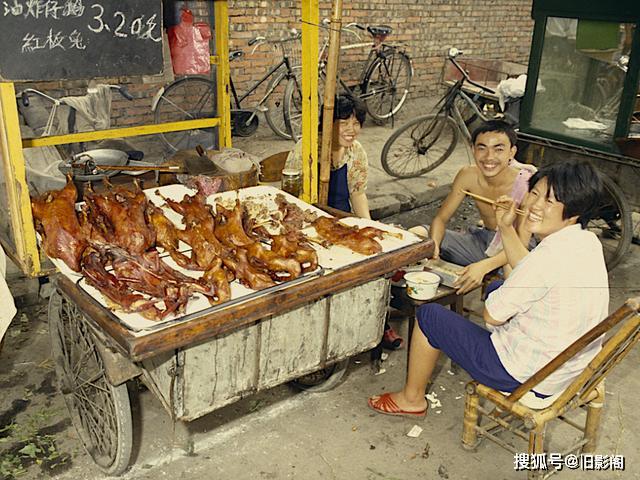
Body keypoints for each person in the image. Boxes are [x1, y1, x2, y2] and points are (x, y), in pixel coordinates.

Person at [368, 159, 609, 417]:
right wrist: (507, 227)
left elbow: (492, 315)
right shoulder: (586, 241)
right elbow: (526, 272)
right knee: (497, 288)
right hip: (570, 369)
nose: (534, 206)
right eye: (535, 194)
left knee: (429, 316)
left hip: (530, 378)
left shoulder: (548, 257)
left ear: (573, 211)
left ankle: (411, 399)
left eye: (549, 202)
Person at [285, 94, 402, 348]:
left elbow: (358, 194)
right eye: (344, 122)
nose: (352, 130)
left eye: (356, 123)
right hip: (310, 224)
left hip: (343, 223)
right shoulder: (307, 148)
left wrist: (371, 226)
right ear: (328, 123)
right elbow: (292, 198)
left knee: (373, 264)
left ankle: (376, 326)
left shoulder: (355, 152)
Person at [410, 120, 536, 294]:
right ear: (473, 150)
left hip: (513, 247)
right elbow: (440, 218)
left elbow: (521, 241)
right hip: (482, 241)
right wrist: (435, 245)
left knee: (513, 272)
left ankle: (502, 314)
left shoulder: (526, 184)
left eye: (498, 149)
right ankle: (412, 295)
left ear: (512, 152)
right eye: (482, 148)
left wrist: (484, 266)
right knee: (417, 235)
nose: (489, 157)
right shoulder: (467, 175)